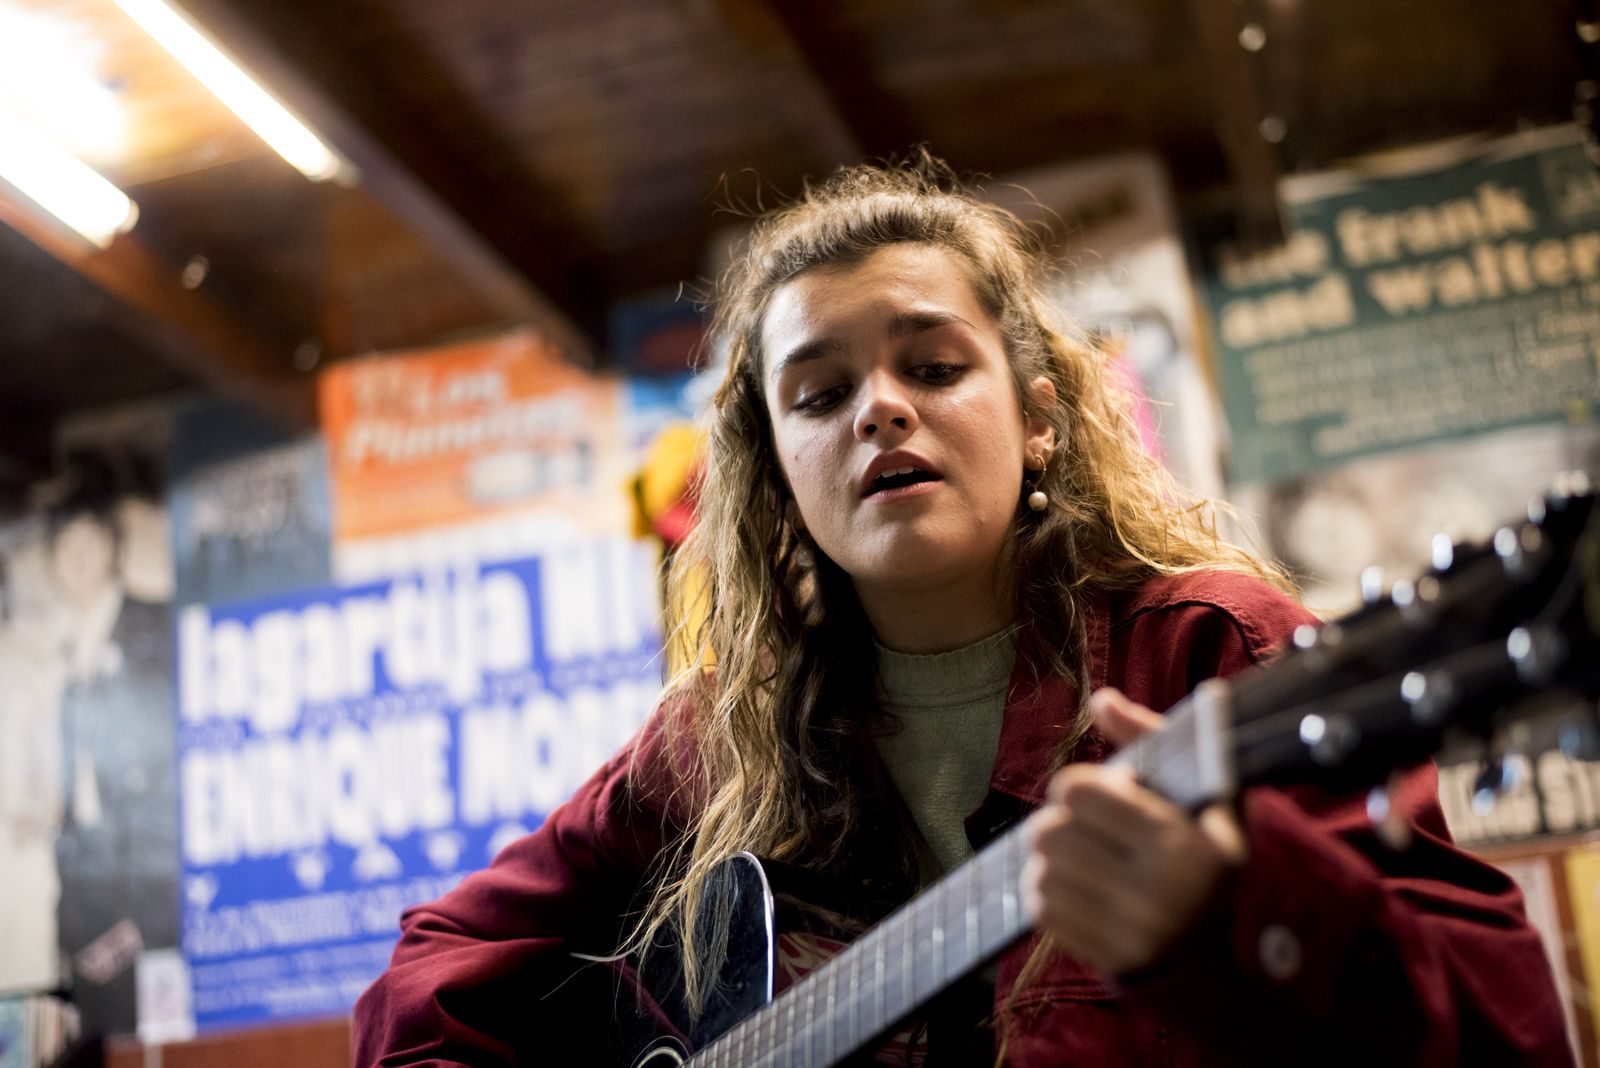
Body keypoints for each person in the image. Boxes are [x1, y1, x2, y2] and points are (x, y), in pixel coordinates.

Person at [352, 157, 1571, 1065]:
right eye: (820, 395)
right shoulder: (713, 743)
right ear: (776, 479)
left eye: (932, 368)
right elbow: (428, 976)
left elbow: (1507, 1030)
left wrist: (1236, 917)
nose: (880, 410)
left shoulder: (1217, 654)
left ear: (1037, 418)